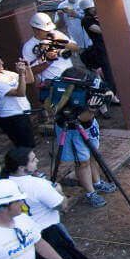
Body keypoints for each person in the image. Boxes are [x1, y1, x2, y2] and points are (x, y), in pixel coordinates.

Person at [0, 147, 96, 259]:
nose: (37, 160)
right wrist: (59, 191)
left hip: (20, 232)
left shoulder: (2, 182)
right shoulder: (37, 185)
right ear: (21, 168)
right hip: (49, 230)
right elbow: (62, 205)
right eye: (32, 159)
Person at [50, 67, 116, 209]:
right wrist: (92, 109)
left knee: (93, 154)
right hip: (72, 130)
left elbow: (108, 90)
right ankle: (90, 193)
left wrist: (105, 98)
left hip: (89, 126)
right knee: (82, 162)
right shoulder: (62, 96)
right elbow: (80, 118)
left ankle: (97, 182)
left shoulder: (89, 82)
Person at [0, 50, 36, 147]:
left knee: (29, 145)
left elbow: (30, 80)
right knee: (25, 147)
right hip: (12, 117)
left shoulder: (4, 73)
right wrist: (21, 74)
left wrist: (27, 67)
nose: (2, 62)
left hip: (22, 113)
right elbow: (20, 93)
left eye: (0, 60)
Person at [22, 12, 76, 86]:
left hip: (71, 76)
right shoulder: (28, 47)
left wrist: (59, 40)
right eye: (46, 30)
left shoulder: (56, 34)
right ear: (35, 29)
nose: (49, 32)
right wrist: (48, 61)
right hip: (52, 82)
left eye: (50, 29)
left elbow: (76, 48)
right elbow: (30, 72)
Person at [78, 0, 117, 93]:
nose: (95, 9)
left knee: (112, 71)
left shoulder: (93, 18)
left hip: (105, 47)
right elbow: (100, 30)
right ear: (88, 9)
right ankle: (111, 93)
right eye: (93, 8)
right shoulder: (86, 20)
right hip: (100, 49)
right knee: (108, 73)